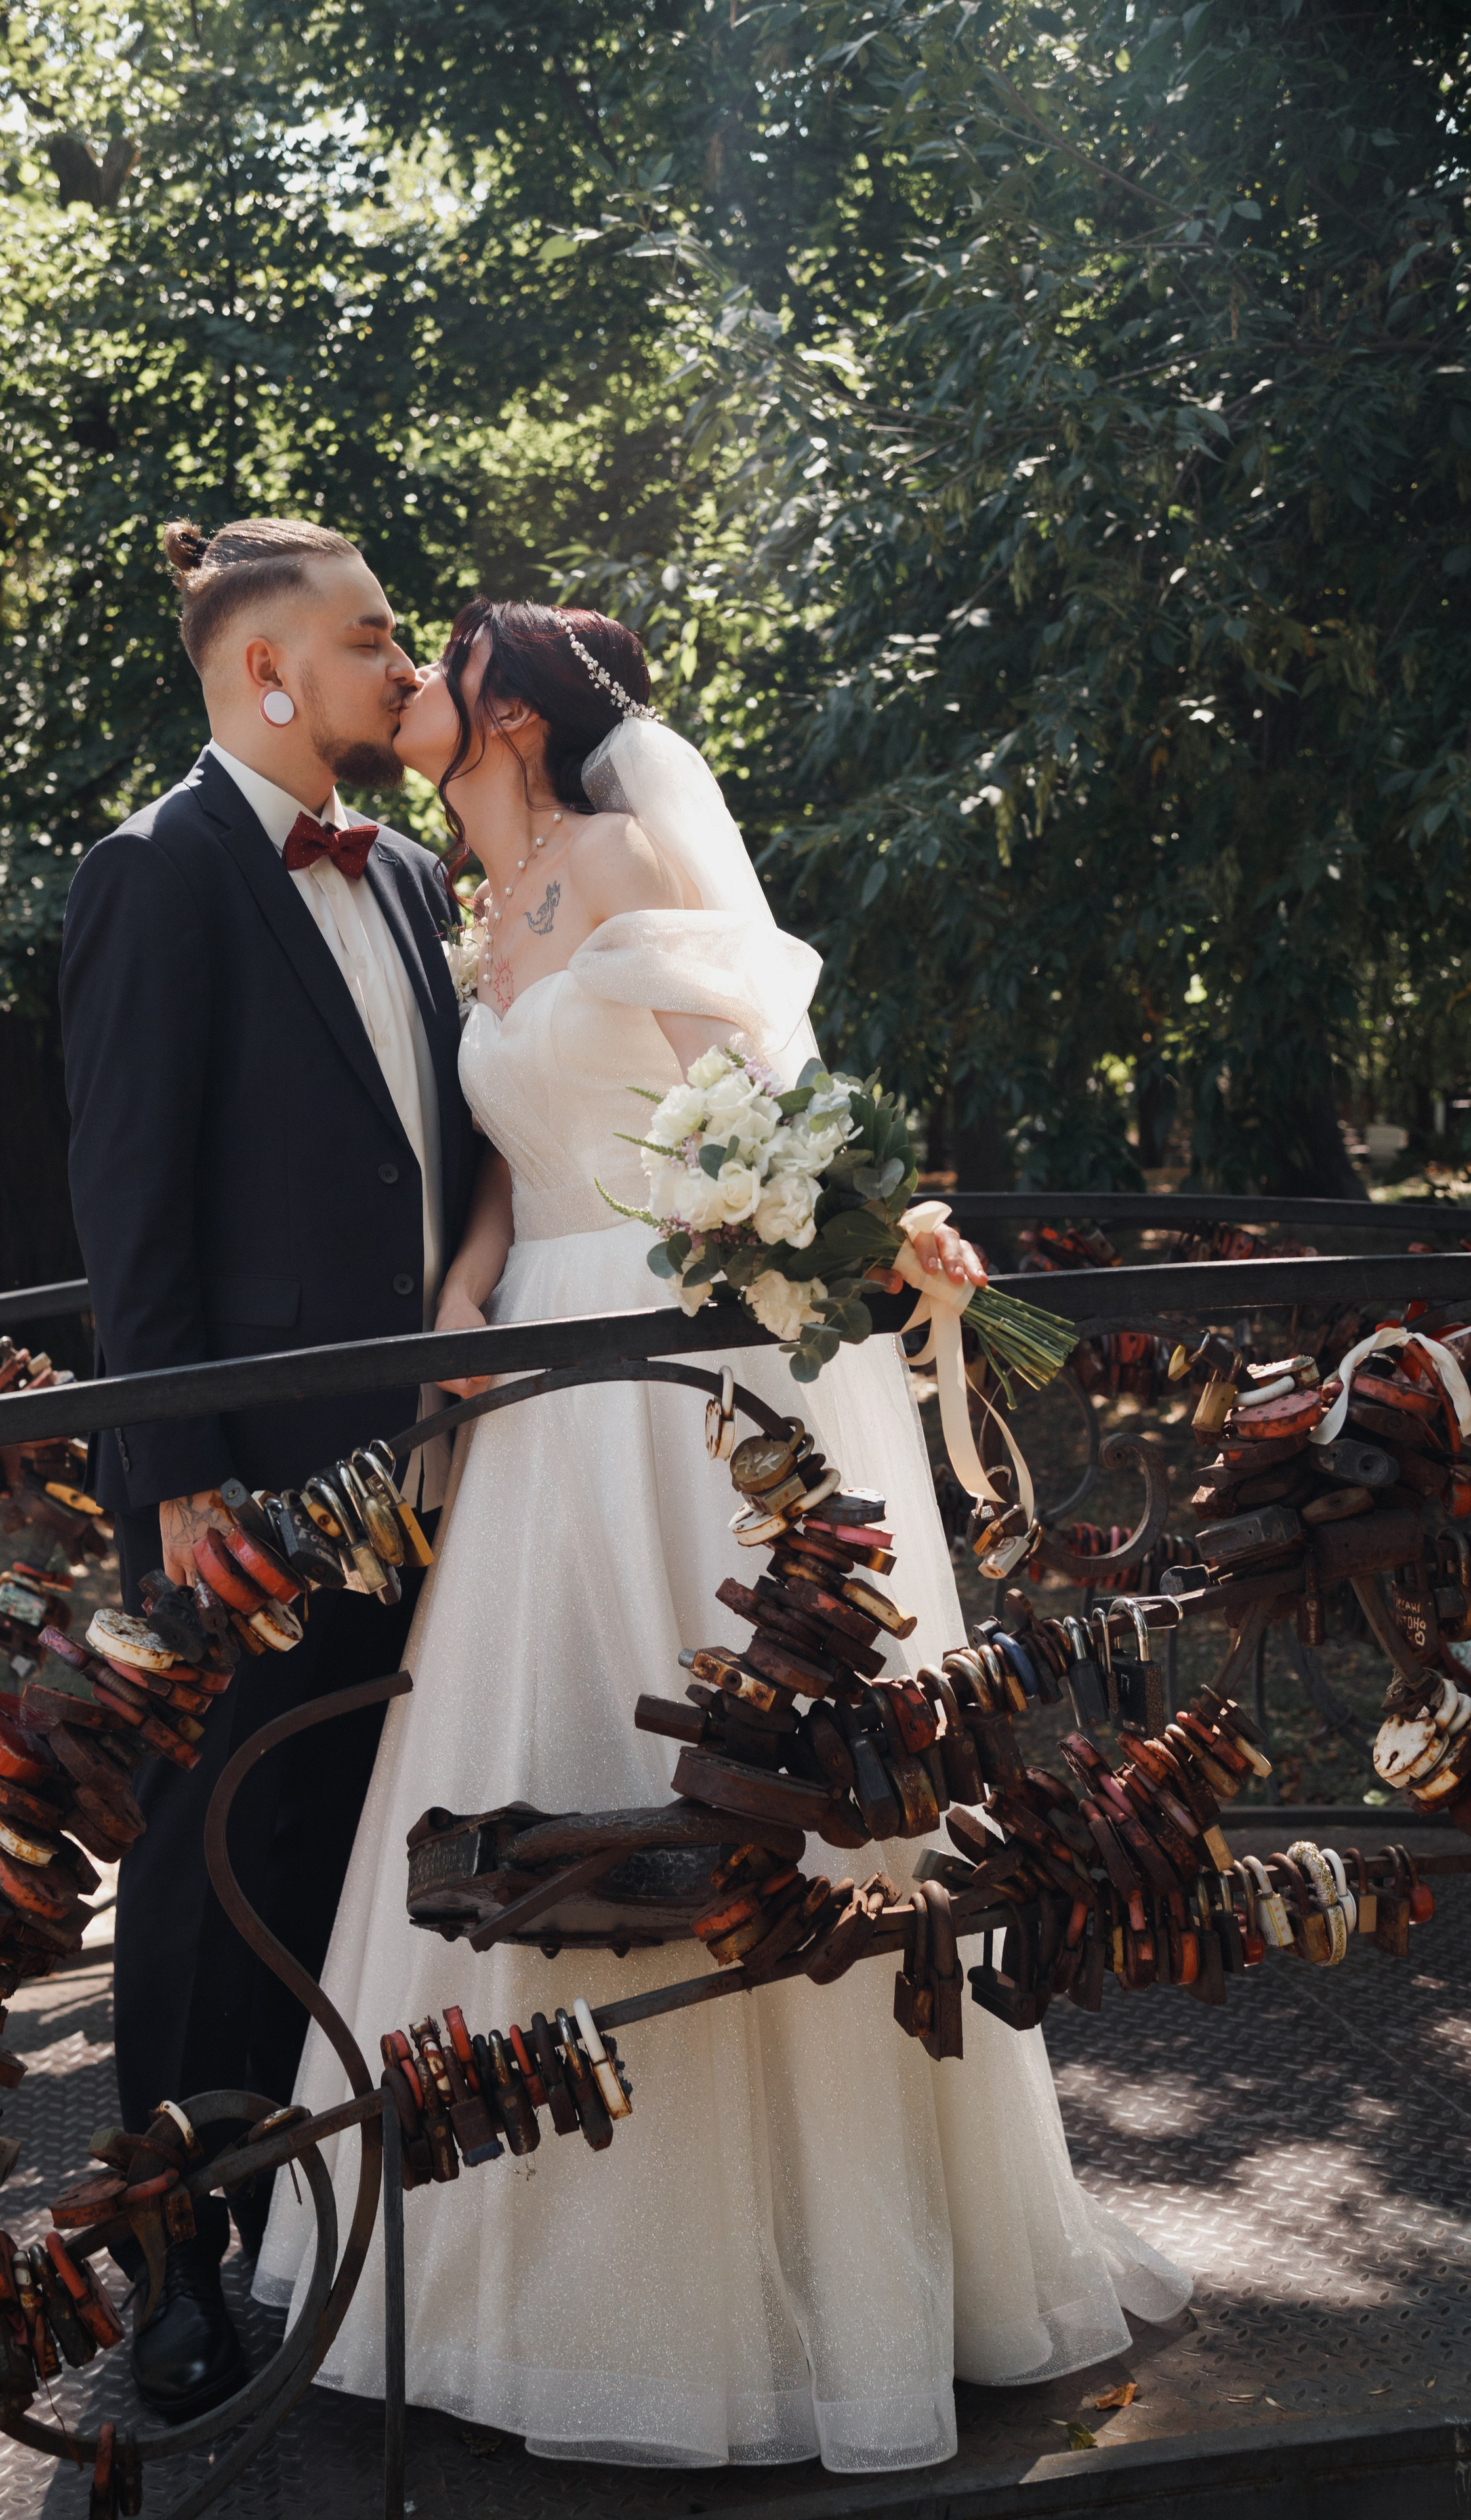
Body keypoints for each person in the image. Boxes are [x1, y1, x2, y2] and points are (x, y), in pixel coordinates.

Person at [254, 600, 1190, 2473]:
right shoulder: (473, 900)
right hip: (540, 1405)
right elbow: (516, 1175)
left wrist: (873, 1227)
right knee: (537, 1772)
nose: (411, 696)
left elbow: (751, 1098)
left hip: (690, 1375)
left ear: (509, 707)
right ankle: (514, 2279)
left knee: (736, 1766)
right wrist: (452, 1337)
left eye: (434, 668)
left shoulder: (615, 853)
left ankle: (816, 2292)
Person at [58, 517, 481, 2424]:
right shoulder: (155, 873)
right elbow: (132, 1206)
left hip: (429, 1483)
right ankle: (173, 2265)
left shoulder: (401, 875)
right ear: (267, 674)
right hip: (249, 1497)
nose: (405, 663)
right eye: (375, 633)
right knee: (207, 1869)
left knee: (345, 1856)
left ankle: (311, 2228)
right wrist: (178, 1482)